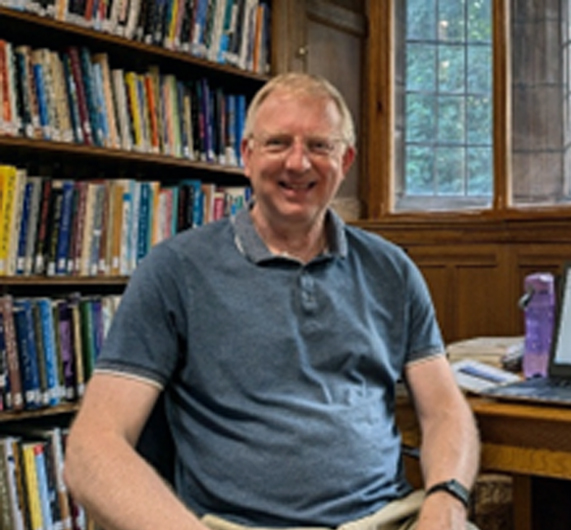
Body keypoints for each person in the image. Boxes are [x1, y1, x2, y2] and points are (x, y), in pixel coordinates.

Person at [64, 73, 480, 530]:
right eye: (278, 142)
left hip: (385, 519)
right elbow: (91, 449)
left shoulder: (392, 270)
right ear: (247, 156)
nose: (298, 162)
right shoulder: (175, 271)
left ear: (346, 160)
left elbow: (444, 409)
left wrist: (447, 499)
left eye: (319, 146)